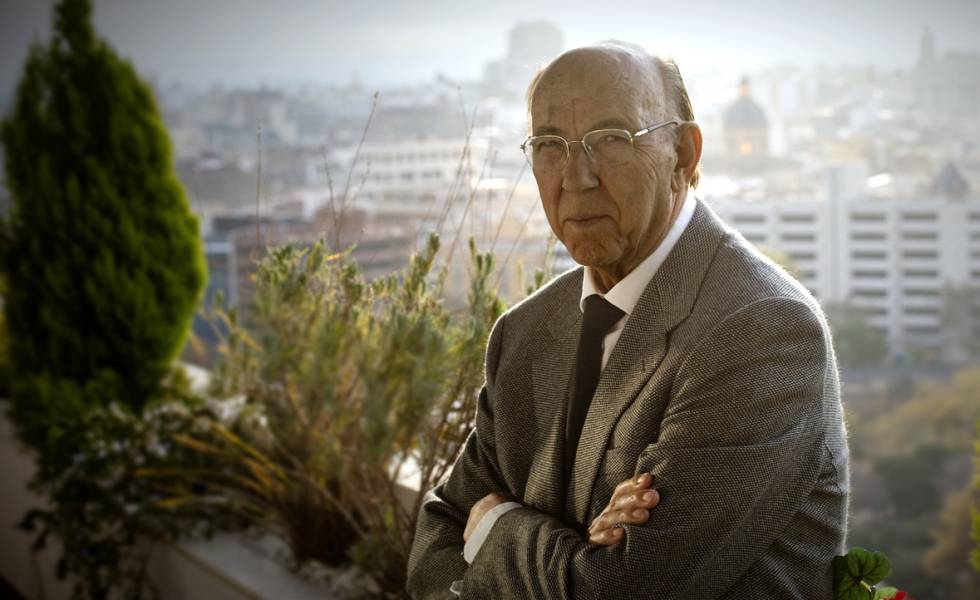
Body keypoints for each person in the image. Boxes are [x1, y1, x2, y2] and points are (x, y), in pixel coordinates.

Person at [407, 41, 849, 599]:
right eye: (549, 145)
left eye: (611, 139)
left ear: (684, 156)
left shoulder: (762, 330)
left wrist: (499, 526)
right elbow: (437, 538)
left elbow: (622, 590)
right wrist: (571, 551)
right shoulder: (523, 331)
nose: (575, 177)